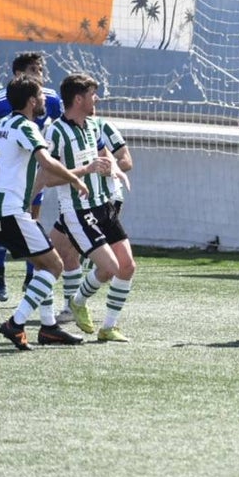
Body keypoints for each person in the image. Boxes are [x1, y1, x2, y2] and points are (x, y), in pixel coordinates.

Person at [0, 74, 108, 350]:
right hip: (9, 211)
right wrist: (77, 176)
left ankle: (49, 327)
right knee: (55, 265)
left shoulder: (1, 125)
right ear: (30, 101)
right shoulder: (27, 126)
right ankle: (16, 322)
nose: (45, 101)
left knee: (41, 264)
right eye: (40, 96)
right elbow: (46, 162)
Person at [43, 74, 137, 343]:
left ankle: (108, 327)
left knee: (127, 266)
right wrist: (85, 170)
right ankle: (77, 301)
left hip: (104, 205)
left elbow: (108, 156)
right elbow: (49, 178)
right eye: (93, 94)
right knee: (108, 268)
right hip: (78, 210)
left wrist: (114, 169)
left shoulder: (93, 127)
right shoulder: (56, 131)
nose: (97, 99)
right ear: (78, 98)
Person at [0, 52, 63, 302]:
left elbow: (63, 129)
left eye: (40, 70)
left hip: (32, 170)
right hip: (9, 172)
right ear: (18, 75)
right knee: (6, 219)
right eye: (33, 69)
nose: (39, 74)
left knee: (31, 219)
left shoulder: (50, 99)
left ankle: (32, 277)